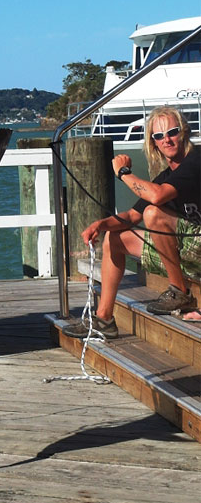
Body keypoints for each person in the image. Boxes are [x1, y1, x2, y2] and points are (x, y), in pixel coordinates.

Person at [63, 106, 201, 340]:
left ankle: (179, 293)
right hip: (188, 249)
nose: (166, 140)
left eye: (172, 132)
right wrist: (100, 225)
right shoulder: (166, 176)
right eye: (158, 136)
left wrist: (124, 173)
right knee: (115, 238)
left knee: (153, 213)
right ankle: (104, 319)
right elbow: (130, 217)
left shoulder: (197, 160)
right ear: (153, 142)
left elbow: (156, 197)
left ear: (184, 132)